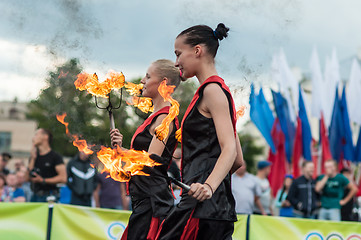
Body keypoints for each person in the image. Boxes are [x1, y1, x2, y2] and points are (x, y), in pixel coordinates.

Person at [156, 23, 244, 240]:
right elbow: (236, 159)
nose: (176, 62)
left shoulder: (212, 91)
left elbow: (230, 150)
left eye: (178, 54)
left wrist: (208, 185)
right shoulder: (216, 90)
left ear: (197, 51)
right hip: (209, 207)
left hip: (203, 208)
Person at [110, 59, 181, 240]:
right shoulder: (155, 116)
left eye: (148, 76)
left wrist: (123, 152)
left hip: (153, 202)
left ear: (163, 83)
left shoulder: (165, 118)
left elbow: (151, 160)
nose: (142, 80)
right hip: (144, 199)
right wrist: (121, 148)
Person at [28, 128, 67, 202]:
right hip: (35, 195)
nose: (34, 138)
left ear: (45, 136)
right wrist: (32, 158)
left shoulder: (55, 157)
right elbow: (28, 177)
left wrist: (43, 180)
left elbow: (63, 178)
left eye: (36, 134)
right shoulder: (34, 156)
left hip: (49, 195)